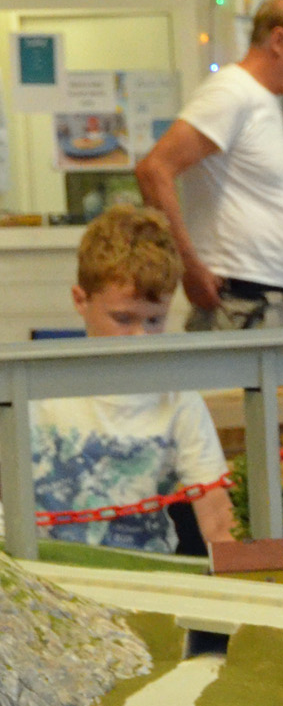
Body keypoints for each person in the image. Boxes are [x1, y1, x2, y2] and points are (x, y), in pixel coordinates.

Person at [29, 206, 234, 553]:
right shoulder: (32, 389)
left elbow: (220, 525)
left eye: (155, 321)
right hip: (40, 576)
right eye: (123, 319)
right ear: (80, 300)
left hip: (147, 575)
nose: (140, 337)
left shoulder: (179, 401)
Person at [135, 0, 283, 330]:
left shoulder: (260, 99)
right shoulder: (231, 92)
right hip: (237, 302)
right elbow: (154, 170)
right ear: (279, 41)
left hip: (261, 299)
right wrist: (188, 268)